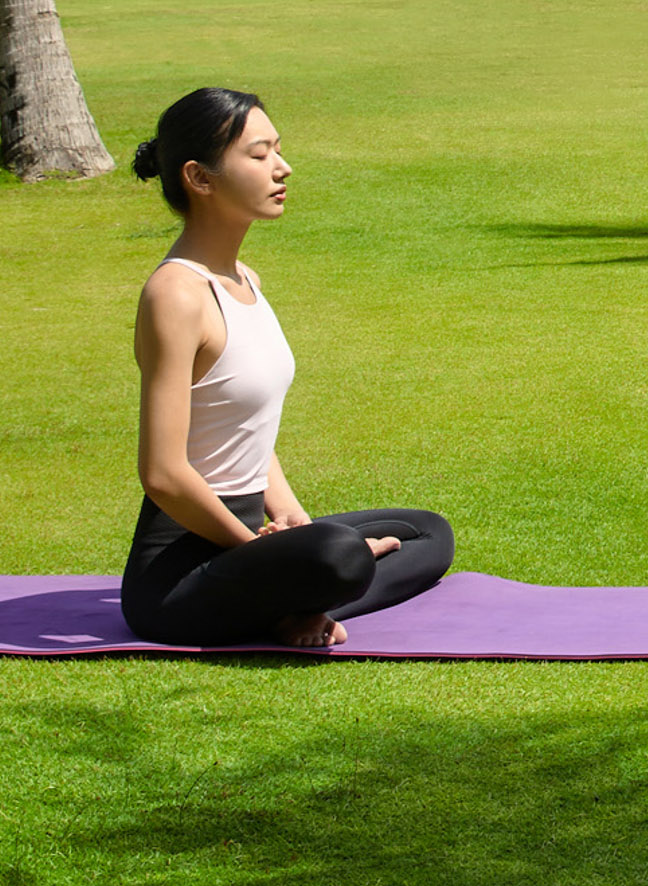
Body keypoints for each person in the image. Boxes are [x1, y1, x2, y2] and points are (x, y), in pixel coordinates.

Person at [121, 86, 455, 648]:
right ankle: (304, 594)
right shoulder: (176, 294)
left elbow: (245, 426)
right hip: (182, 574)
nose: (282, 167)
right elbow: (163, 473)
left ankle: (297, 605)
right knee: (340, 554)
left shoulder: (247, 279)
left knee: (426, 533)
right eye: (259, 155)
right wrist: (258, 549)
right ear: (199, 178)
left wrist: (292, 519)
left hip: (256, 534)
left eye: (277, 150)